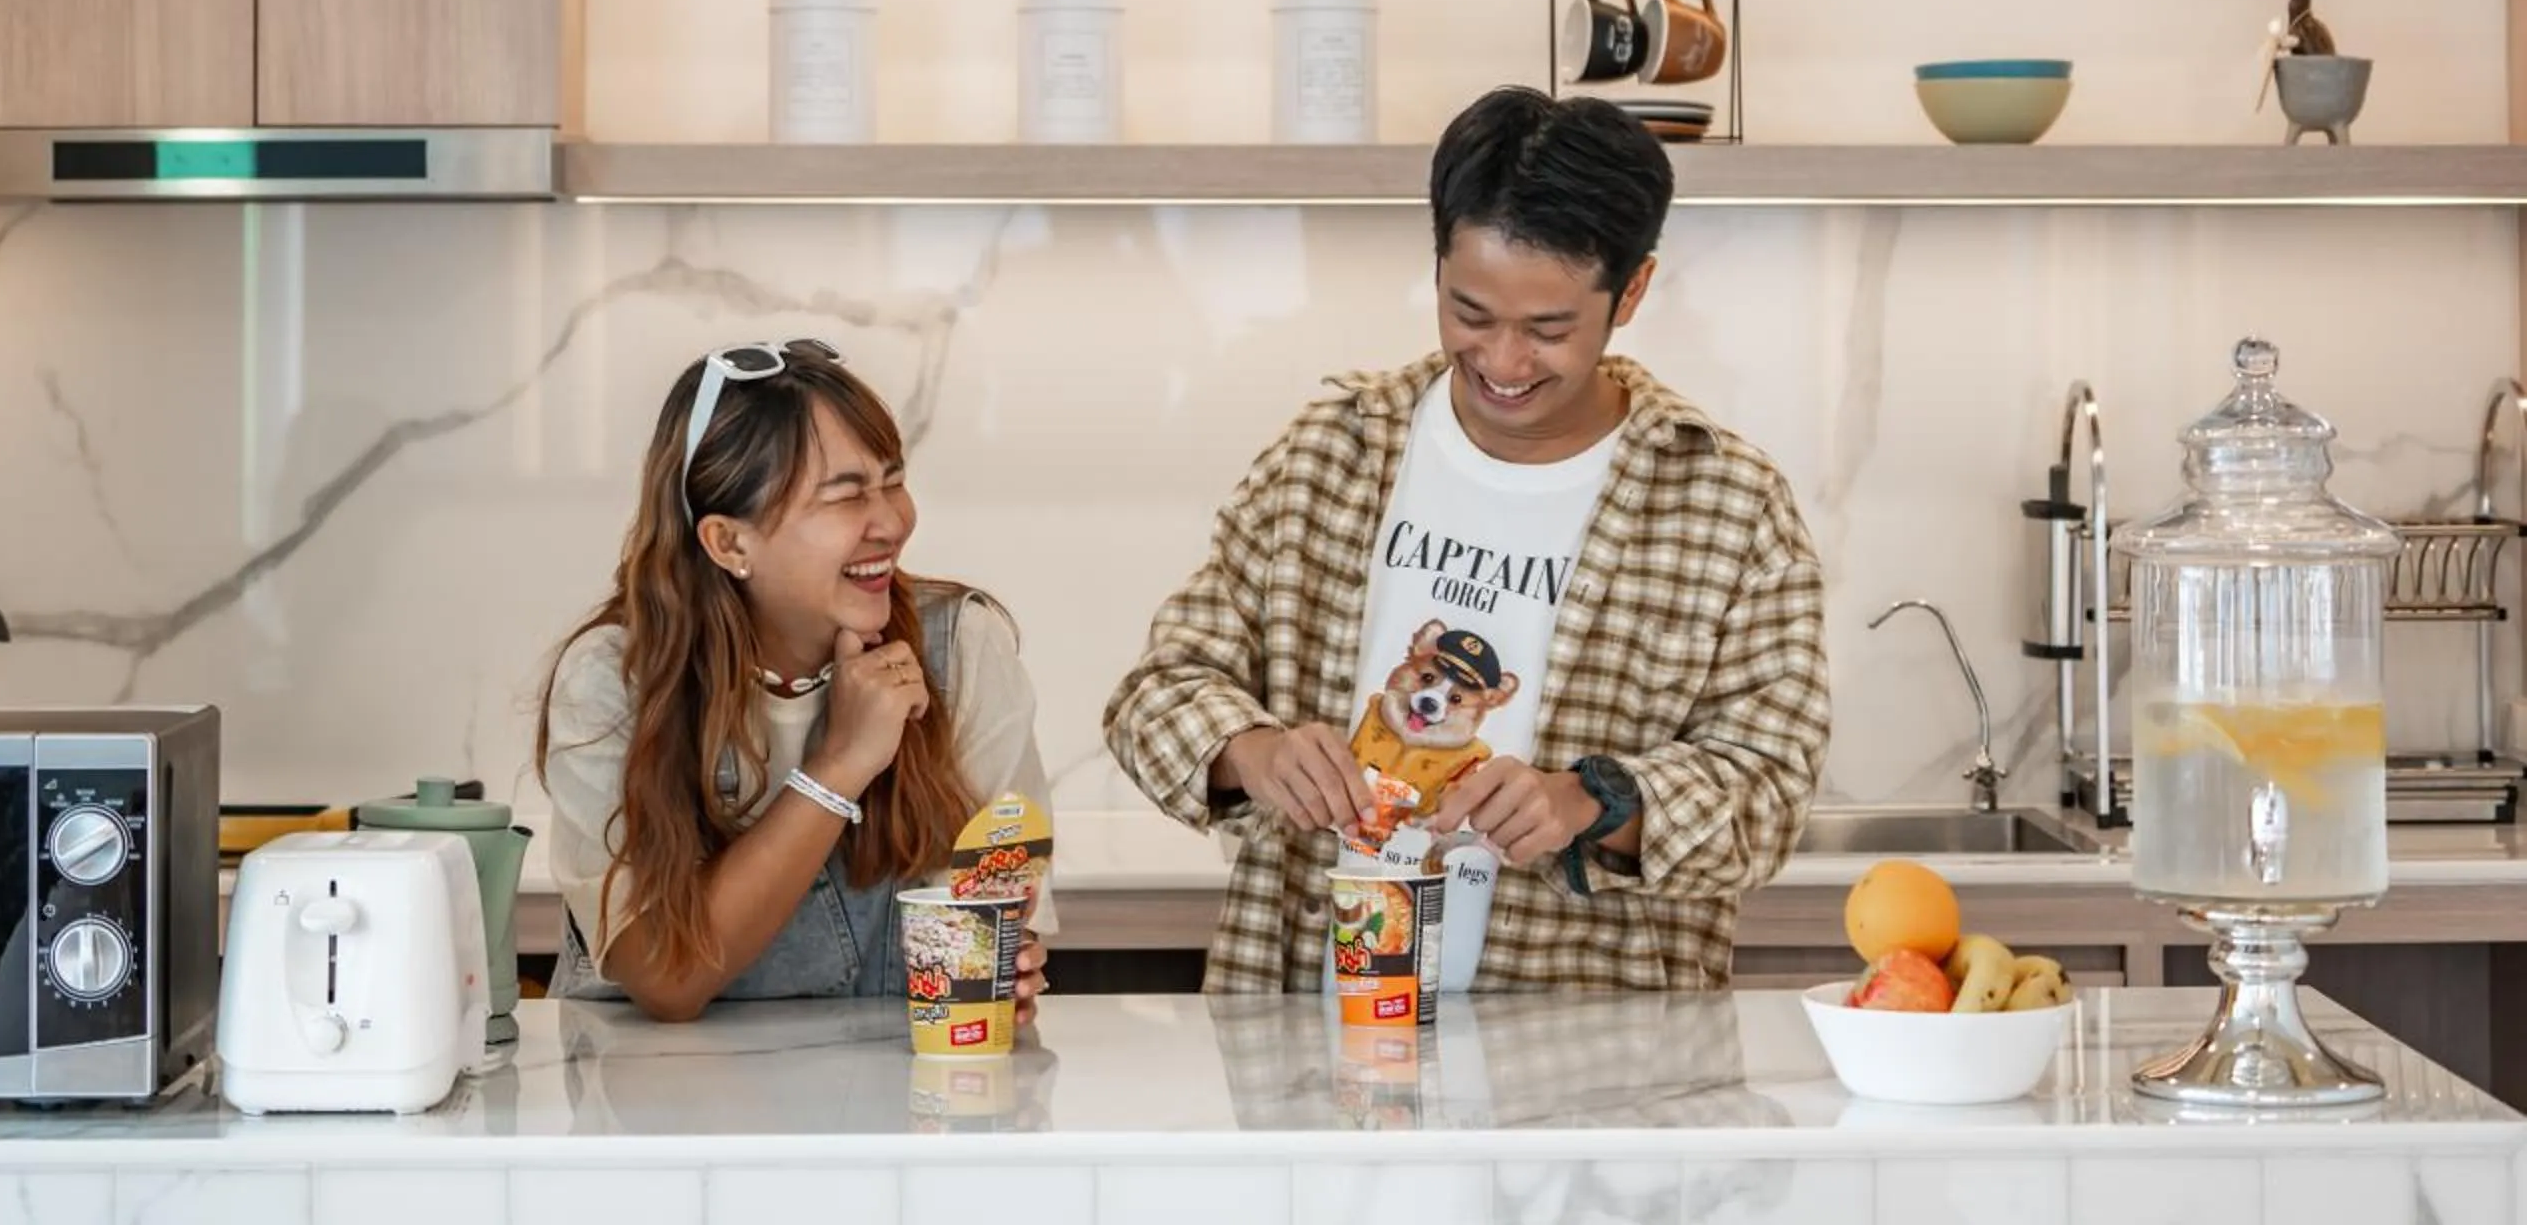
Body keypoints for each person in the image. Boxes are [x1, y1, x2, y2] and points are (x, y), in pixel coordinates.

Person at [1105, 87, 1829, 990]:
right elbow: (1156, 694)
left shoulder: (1727, 505)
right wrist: (1257, 754)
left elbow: (1769, 797)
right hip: (1302, 1033)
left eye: (1549, 329)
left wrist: (1588, 803)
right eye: (1470, 314)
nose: (1504, 362)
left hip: (1587, 1064)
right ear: (1439, 263)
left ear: (1633, 290)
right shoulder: (1336, 449)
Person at [539, 337, 1054, 1021]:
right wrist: (840, 764)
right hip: (655, 1109)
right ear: (729, 542)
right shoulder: (613, 680)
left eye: (892, 481)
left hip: (891, 1112)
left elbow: (985, 922)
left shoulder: (960, 649)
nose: (892, 522)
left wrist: (1004, 971)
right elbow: (667, 977)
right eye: (845, 497)